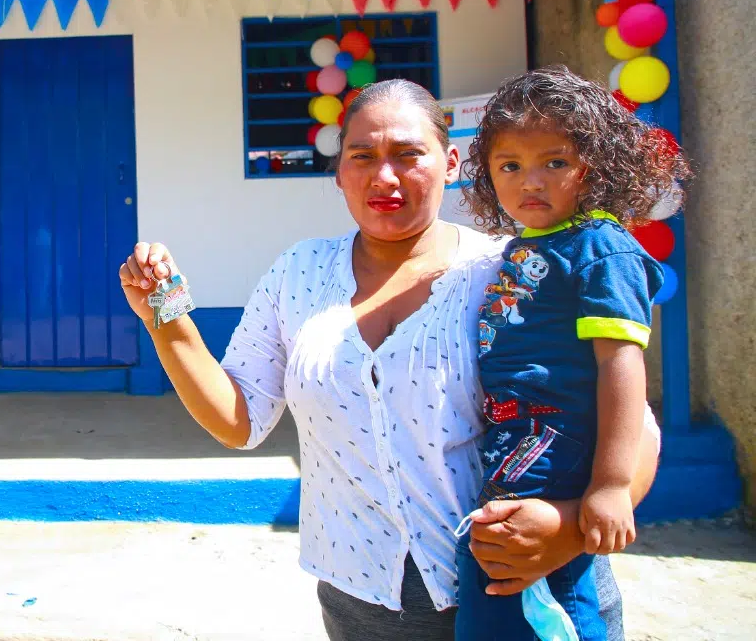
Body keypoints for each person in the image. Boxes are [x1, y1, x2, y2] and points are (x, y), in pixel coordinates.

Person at [118, 79, 663, 640]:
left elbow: (637, 427)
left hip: (523, 590)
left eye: (408, 154)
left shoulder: (510, 272)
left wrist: (569, 529)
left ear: (451, 164)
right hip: (361, 606)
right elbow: (239, 421)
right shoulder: (297, 274)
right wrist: (165, 317)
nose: (384, 177)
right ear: (338, 172)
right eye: (362, 156)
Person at [452, 67, 690, 640]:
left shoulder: (599, 248)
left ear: (596, 166)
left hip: (556, 440)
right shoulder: (530, 245)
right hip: (516, 435)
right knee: (496, 563)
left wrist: (610, 485)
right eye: (510, 166)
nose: (530, 181)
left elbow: (620, 363)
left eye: (554, 162)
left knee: (528, 566)